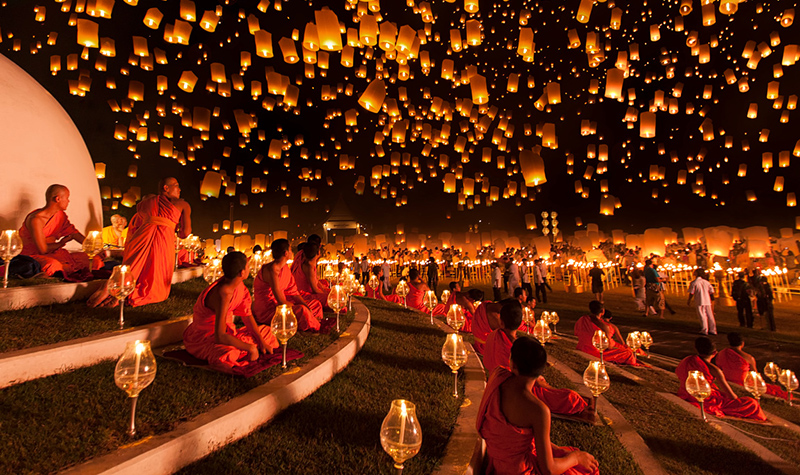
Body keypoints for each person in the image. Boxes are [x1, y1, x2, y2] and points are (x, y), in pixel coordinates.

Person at [476, 336, 600, 475]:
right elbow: (549, 469)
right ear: (541, 371)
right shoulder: (538, 410)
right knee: (586, 469)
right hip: (521, 471)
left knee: (566, 454)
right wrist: (576, 458)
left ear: (512, 365)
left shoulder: (497, 376)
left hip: (498, 464)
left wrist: (560, 451)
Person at [89, 177, 192, 307]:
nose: (179, 189)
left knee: (134, 265)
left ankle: (111, 288)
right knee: (154, 272)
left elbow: (136, 224)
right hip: (163, 239)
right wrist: (172, 227)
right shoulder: (183, 204)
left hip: (142, 236)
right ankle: (125, 294)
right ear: (166, 188)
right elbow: (186, 233)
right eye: (177, 186)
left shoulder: (147, 202)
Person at [484, 301, 593, 420]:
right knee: (570, 398)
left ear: (501, 322)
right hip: (518, 388)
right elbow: (524, 376)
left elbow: (488, 362)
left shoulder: (493, 337)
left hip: (496, 382)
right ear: (521, 322)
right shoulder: (517, 347)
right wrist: (542, 381)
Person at [183, 252, 278, 374]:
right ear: (242, 272)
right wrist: (250, 347)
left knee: (266, 332)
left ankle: (243, 350)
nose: (249, 269)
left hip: (229, 333)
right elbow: (220, 336)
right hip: (204, 338)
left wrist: (261, 341)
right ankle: (239, 352)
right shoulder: (223, 293)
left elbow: (247, 316)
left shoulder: (239, 286)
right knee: (228, 354)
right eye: (247, 266)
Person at [676, 337, 766, 421]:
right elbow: (731, 396)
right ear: (714, 353)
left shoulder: (687, 360)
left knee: (720, 394)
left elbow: (679, 373)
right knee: (751, 403)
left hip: (685, 392)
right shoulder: (715, 370)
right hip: (706, 399)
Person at [19, 184, 92, 277]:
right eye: (67, 198)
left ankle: (64, 268)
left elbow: (74, 233)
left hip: (54, 253)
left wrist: (94, 248)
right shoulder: (36, 219)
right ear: (58, 199)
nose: (68, 201)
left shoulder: (60, 215)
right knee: (53, 265)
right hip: (33, 256)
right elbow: (43, 250)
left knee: (92, 260)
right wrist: (61, 243)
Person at [252, 239, 323, 331]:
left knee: (315, 304)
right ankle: (312, 324)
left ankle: (311, 320)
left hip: (283, 304)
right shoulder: (272, 271)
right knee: (302, 311)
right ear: (286, 253)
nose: (292, 252)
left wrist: (306, 306)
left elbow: (294, 292)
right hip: (269, 310)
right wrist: (303, 309)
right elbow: (281, 301)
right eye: (290, 249)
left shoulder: (285, 268)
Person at [715, 333, 787, 399]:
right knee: (776, 391)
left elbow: (718, 367)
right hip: (743, 383)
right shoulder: (748, 358)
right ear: (742, 343)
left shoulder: (721, 353)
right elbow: (755, 375)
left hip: (726, 380)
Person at [575, 301, 642, 366]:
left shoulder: (583, 319)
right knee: (628, 353)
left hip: (582, 347)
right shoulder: (604, 326)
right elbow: (608, 346)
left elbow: (577, 333)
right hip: (596, 352)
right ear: (602, 311)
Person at [291, 242, 330, 309]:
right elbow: (315, 290)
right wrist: (327, 295)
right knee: (330, 298)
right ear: (318, 252)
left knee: (327, 286)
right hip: (304, 295)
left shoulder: (307, 263)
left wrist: (325, 290)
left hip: (304, 293)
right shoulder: (309, 266)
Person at [687, 268, 716, 335]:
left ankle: (704, 329)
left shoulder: (694, 282)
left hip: (699, 300)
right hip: (707, 301)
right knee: (710, 315)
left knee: (702, 315)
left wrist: (689, 300)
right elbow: (711, 292)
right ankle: (713, 329)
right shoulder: (706, 282)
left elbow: (691, 293)